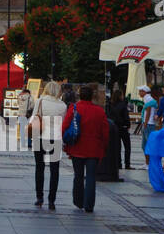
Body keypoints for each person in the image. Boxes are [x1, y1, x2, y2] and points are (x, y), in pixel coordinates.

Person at [63, 84, 110, 214]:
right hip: (94, 149)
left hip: (77, 147)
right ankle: (89, 205)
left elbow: (65, 126)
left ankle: (78, 201)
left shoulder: (74, 108)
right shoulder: (99, 111)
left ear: (79, 96)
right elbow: (105, 131)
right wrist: (104, 146)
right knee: (90, 177)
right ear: (92, 97)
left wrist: (66, 143)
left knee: (78, 175)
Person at [30, 81, 66, 209]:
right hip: (55, 139)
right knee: (54, 170)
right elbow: (63, 124)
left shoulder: (40, 101)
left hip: (40, 137)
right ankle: (52, 200)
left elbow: (34, 118)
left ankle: (39, 197)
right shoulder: (63, 105)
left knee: (39, 168)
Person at [107, 87, 132, 169]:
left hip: (114, 128)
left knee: (117, 147)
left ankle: (118, 164)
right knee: (127, 146)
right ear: (120, 96)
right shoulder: (123, 105)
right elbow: (126, 117)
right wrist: (128, 125)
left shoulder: (110, 105)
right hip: (123, 127)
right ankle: (127, 164)